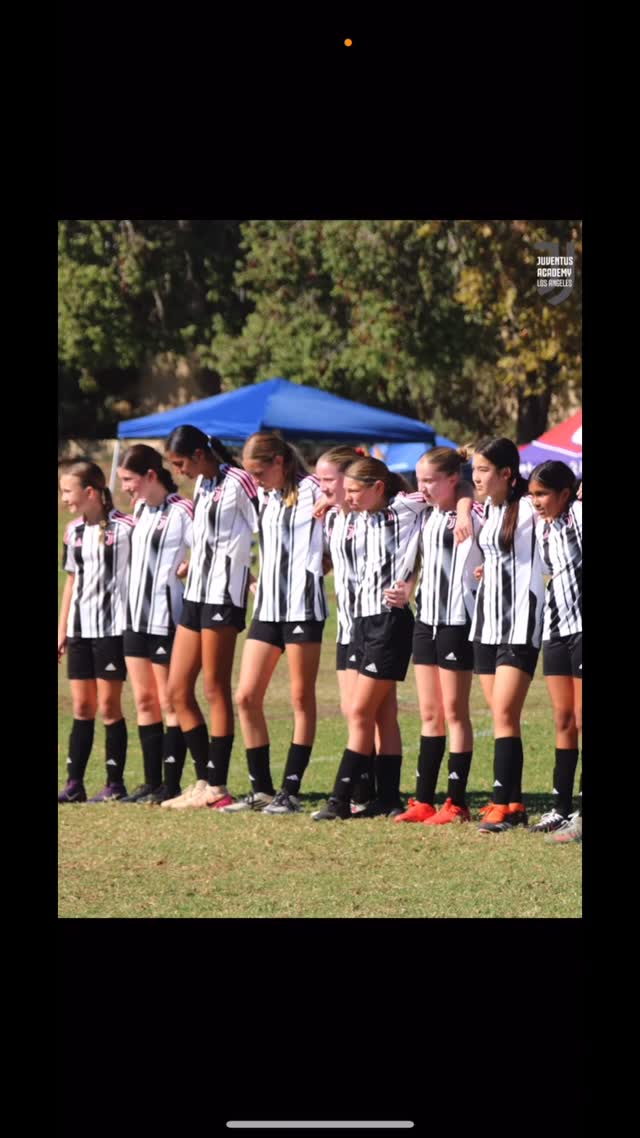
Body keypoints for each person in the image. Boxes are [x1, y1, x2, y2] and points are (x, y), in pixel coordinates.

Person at [312, 457, 428, 821]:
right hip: (361, 621)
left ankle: (340, 799)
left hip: (390, 623)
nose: (345, 497)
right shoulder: (354, 518)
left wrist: (409, 583)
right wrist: (333, 501)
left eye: (352, 491)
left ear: (378, 487)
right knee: (381, 713)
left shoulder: (405, 508)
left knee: (359, 710)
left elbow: (449, 493)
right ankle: (387, 797)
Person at [225, 433, 328, 815]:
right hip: (267, 609)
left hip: (303, 609)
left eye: (258, 471)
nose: (254, 479)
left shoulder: (315, 489)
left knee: (301, 698)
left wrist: (317, 568)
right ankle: (262, 789)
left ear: (279, 462)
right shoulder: (263, 496)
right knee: (246, 696)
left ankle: (291, 790)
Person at [162, 426, 260, 810]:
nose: (180, 471)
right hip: (196, 594)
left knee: (214, 687)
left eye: (181, 462)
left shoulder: (239, 481)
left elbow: (265, 525)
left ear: (200, 454)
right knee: (176, 690)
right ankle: (204, 780)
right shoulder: (202, 487)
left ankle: (217, 786)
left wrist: (256, 574)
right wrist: (193, 562)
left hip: (224, 595)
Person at [394, 447, 484, 825]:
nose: (423, 487)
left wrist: (463, 506)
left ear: (452, 479)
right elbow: (396, 498)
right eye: (420, 479)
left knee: (454, 712)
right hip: (425, 621)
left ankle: (457, 803)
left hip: (456, 622)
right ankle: (424, 800)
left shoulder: (473, 512)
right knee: (429, 713)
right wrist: (406, 586)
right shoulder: (424, 511)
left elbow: (471, 492)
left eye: (431, 480)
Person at [469, 438, 546, 834]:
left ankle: (503, 804)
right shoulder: (488, 509)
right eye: (475, 469)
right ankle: (513, 802)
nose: (475, 477)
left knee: (502, 713)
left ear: (505, 474)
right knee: (503, 716)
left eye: (483, 470)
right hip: (486, 624)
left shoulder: (531, 509)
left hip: (519, 625)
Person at [116, 444, 193, 804]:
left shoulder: (182, 510)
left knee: (169, 700)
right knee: (144, 698)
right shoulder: (140, 510)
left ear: (150, 475)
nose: (126, 488)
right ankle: (149, 782)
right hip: (134, 617)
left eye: (129, 480)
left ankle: (171, 782)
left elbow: (207, 548)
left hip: (166, 618)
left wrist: (189, 564)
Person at [58, 459, 134, 802]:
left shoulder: (126, 528)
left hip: (111, 630)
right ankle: (74, 784)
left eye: (67, 491)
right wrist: (62, 629)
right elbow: (71, 581)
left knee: (108, 705)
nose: (63, 499)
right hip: (79, 629)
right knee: (81, 706)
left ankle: (114, 784)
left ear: (90, 492)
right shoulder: (71, 531)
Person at [316, 445, 378, 810]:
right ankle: (365, 792)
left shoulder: (373, 514)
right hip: (346, 624)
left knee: (364, 712)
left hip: (373, 624)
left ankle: (362, 794)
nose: (321, 486)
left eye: (327, 480)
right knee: (350, 709)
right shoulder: (335, 519)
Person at [527, 460, 582, 834]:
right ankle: (561, 806)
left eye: (543, 494)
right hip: (556, 629)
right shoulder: (543, 527)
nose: (536, 501)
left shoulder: (578, 515)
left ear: (565, 494)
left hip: (582, 630)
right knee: (563, 720)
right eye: (532, 494)